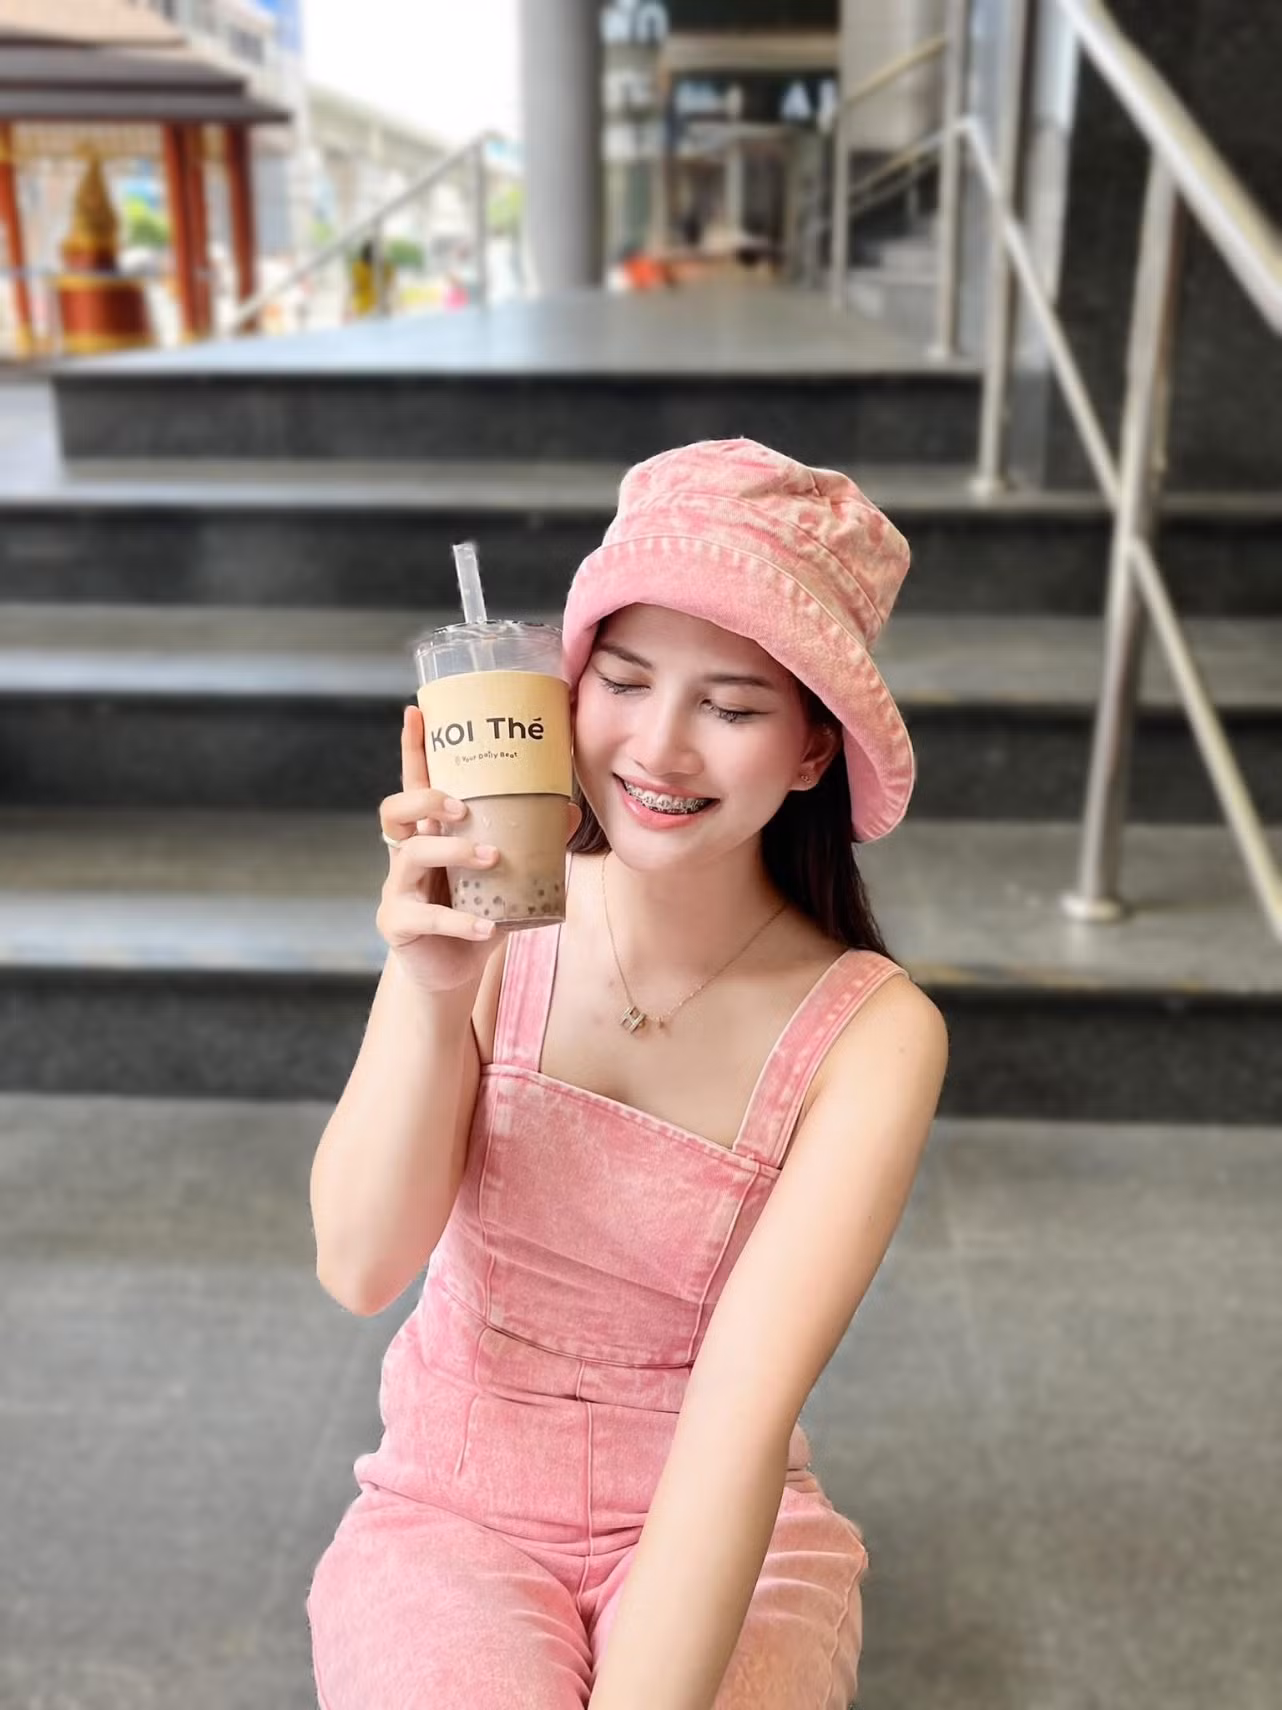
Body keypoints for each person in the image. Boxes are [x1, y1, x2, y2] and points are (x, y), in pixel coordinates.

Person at [305, 438, 949, 1709]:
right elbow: (358, 1266)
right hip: (450, 1505)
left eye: (732, 707)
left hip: (721, 1515)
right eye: (624, 680)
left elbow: (738, 1423)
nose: (659, 749)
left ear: (812, 751)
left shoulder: (873, 1034)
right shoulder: (491, 914)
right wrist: (431, 990)